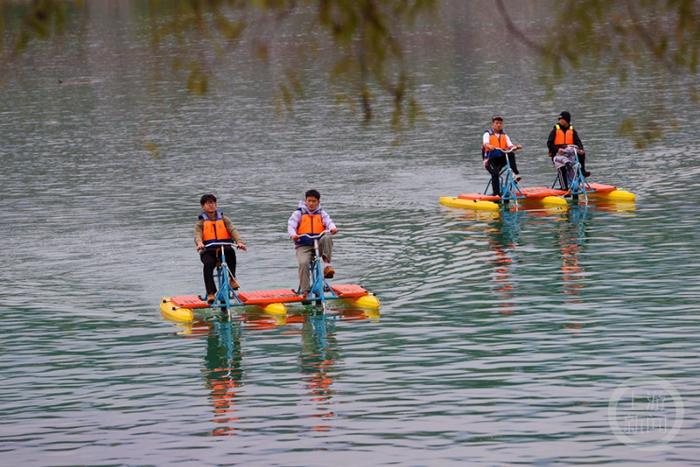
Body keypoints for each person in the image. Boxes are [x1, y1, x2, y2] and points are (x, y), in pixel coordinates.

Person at [195, 193, 247, 304]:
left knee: (231, 254)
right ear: (203, 206)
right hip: (208, 251)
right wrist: (199, 243)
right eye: (208, 203)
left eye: (213, 203)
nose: (211, 205)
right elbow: (197, 234)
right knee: (208, 265)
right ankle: (210, 293)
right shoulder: (201, 222)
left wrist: (239, 242)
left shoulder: (224, 219)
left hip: (224, 248)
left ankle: (232, 279)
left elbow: (233, 230)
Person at [287, 189, 338, 295]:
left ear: (318, 202)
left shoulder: (322, 213)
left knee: (327, 238)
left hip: (318, 244)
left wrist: (333, 228)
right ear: (305, 201)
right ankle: (305, 291)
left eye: (314, 201)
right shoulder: (299, 213)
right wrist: (293, 235)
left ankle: (327, 266)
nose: (311, 203)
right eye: (309, 201)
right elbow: (291, 225)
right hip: (303, 245)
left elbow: (329, 222)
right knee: (303, 263)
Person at [482, 116, 523, 197]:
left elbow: (510, 146)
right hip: (490, 160)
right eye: (497, 123)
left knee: (510, 153)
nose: (499, 125)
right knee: (495, 174)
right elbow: (485, 143)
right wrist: (489, 146)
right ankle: (496, 194)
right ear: (493, 124)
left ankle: (515, 174)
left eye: (500, 123)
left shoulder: (504, 135)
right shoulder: (487, 134)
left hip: (501, 159)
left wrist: (516, 147)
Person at [547, 111, 590, 187]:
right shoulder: (554, 131)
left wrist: (581, 149)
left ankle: (582, 171)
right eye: (559, 119)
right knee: (562, 167)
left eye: (561, 119)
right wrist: (557, 150)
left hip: (569, 155)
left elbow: (578, 142)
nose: (560, 120)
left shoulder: (572, 131)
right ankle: (564, 188)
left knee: (581, 153)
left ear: (566, 120)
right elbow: (549, 144)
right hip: (557, 156)